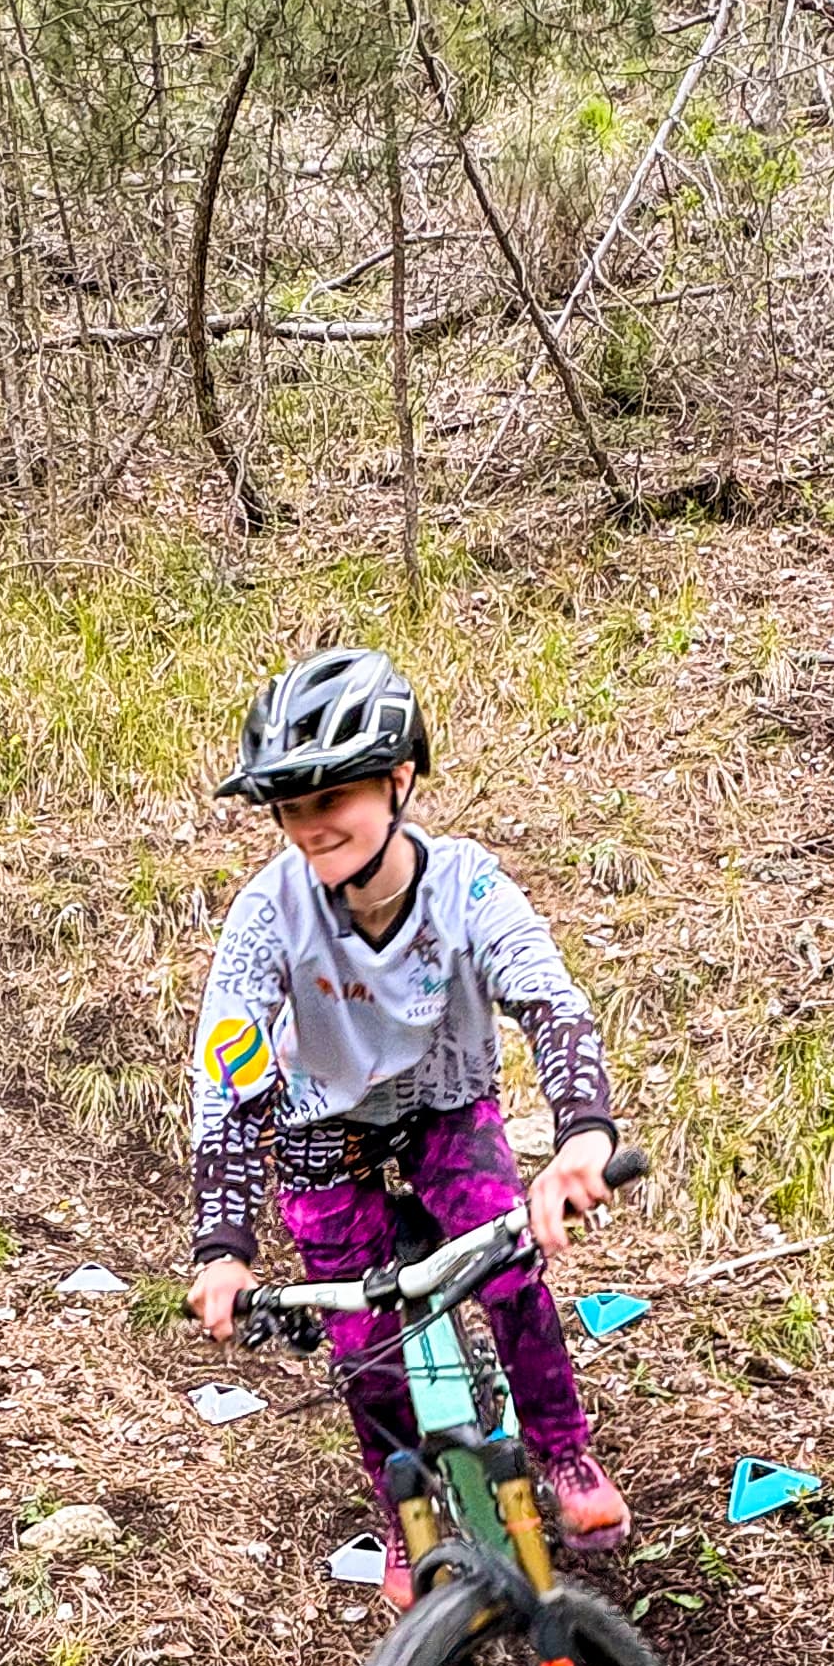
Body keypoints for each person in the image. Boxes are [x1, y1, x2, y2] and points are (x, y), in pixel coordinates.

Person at [187, 645, 633, 1606]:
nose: (308, 827)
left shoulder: (467, 886)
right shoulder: (267, 914)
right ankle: (408, 1507)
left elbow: (548, 1001)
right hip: (323, 1132)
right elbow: (229, 1079)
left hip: (445, 1107)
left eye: (330, 799)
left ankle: (563, 1450)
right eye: (288, 808)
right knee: (364, 1345)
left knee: (508, 1265)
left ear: (398, 780)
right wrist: (223, 1248)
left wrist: (582, 1135)